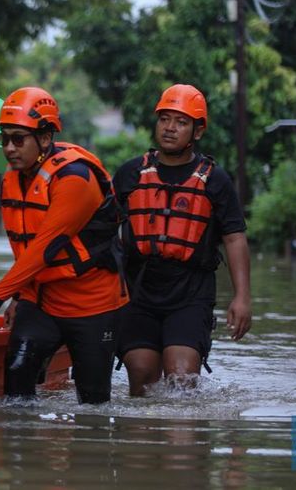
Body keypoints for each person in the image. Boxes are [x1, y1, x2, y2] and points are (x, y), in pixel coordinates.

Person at [0, 87, 128, 404]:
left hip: (92, 303)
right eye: (3, 138)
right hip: (42, 300)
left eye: (18, 139)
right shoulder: (11, 179)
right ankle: (22, 449)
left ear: (45, 139)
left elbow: (44, 248)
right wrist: (20, 295)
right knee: (17, 372)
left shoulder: (75, 177)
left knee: (93, 400)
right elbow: (21, 248)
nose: (9, 148)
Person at [113, 84, 251, 396]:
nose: (170, 128)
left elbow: (234, 237)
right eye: (164, 119)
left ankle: (183, 442)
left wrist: (242, 297)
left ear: (197, 132)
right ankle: (142, 443)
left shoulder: (215, 179)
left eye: (181, 122)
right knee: (141, 373)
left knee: (181, 376)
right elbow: (102, 230)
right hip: (139, 289)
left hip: (190, 291)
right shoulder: (130, 174)